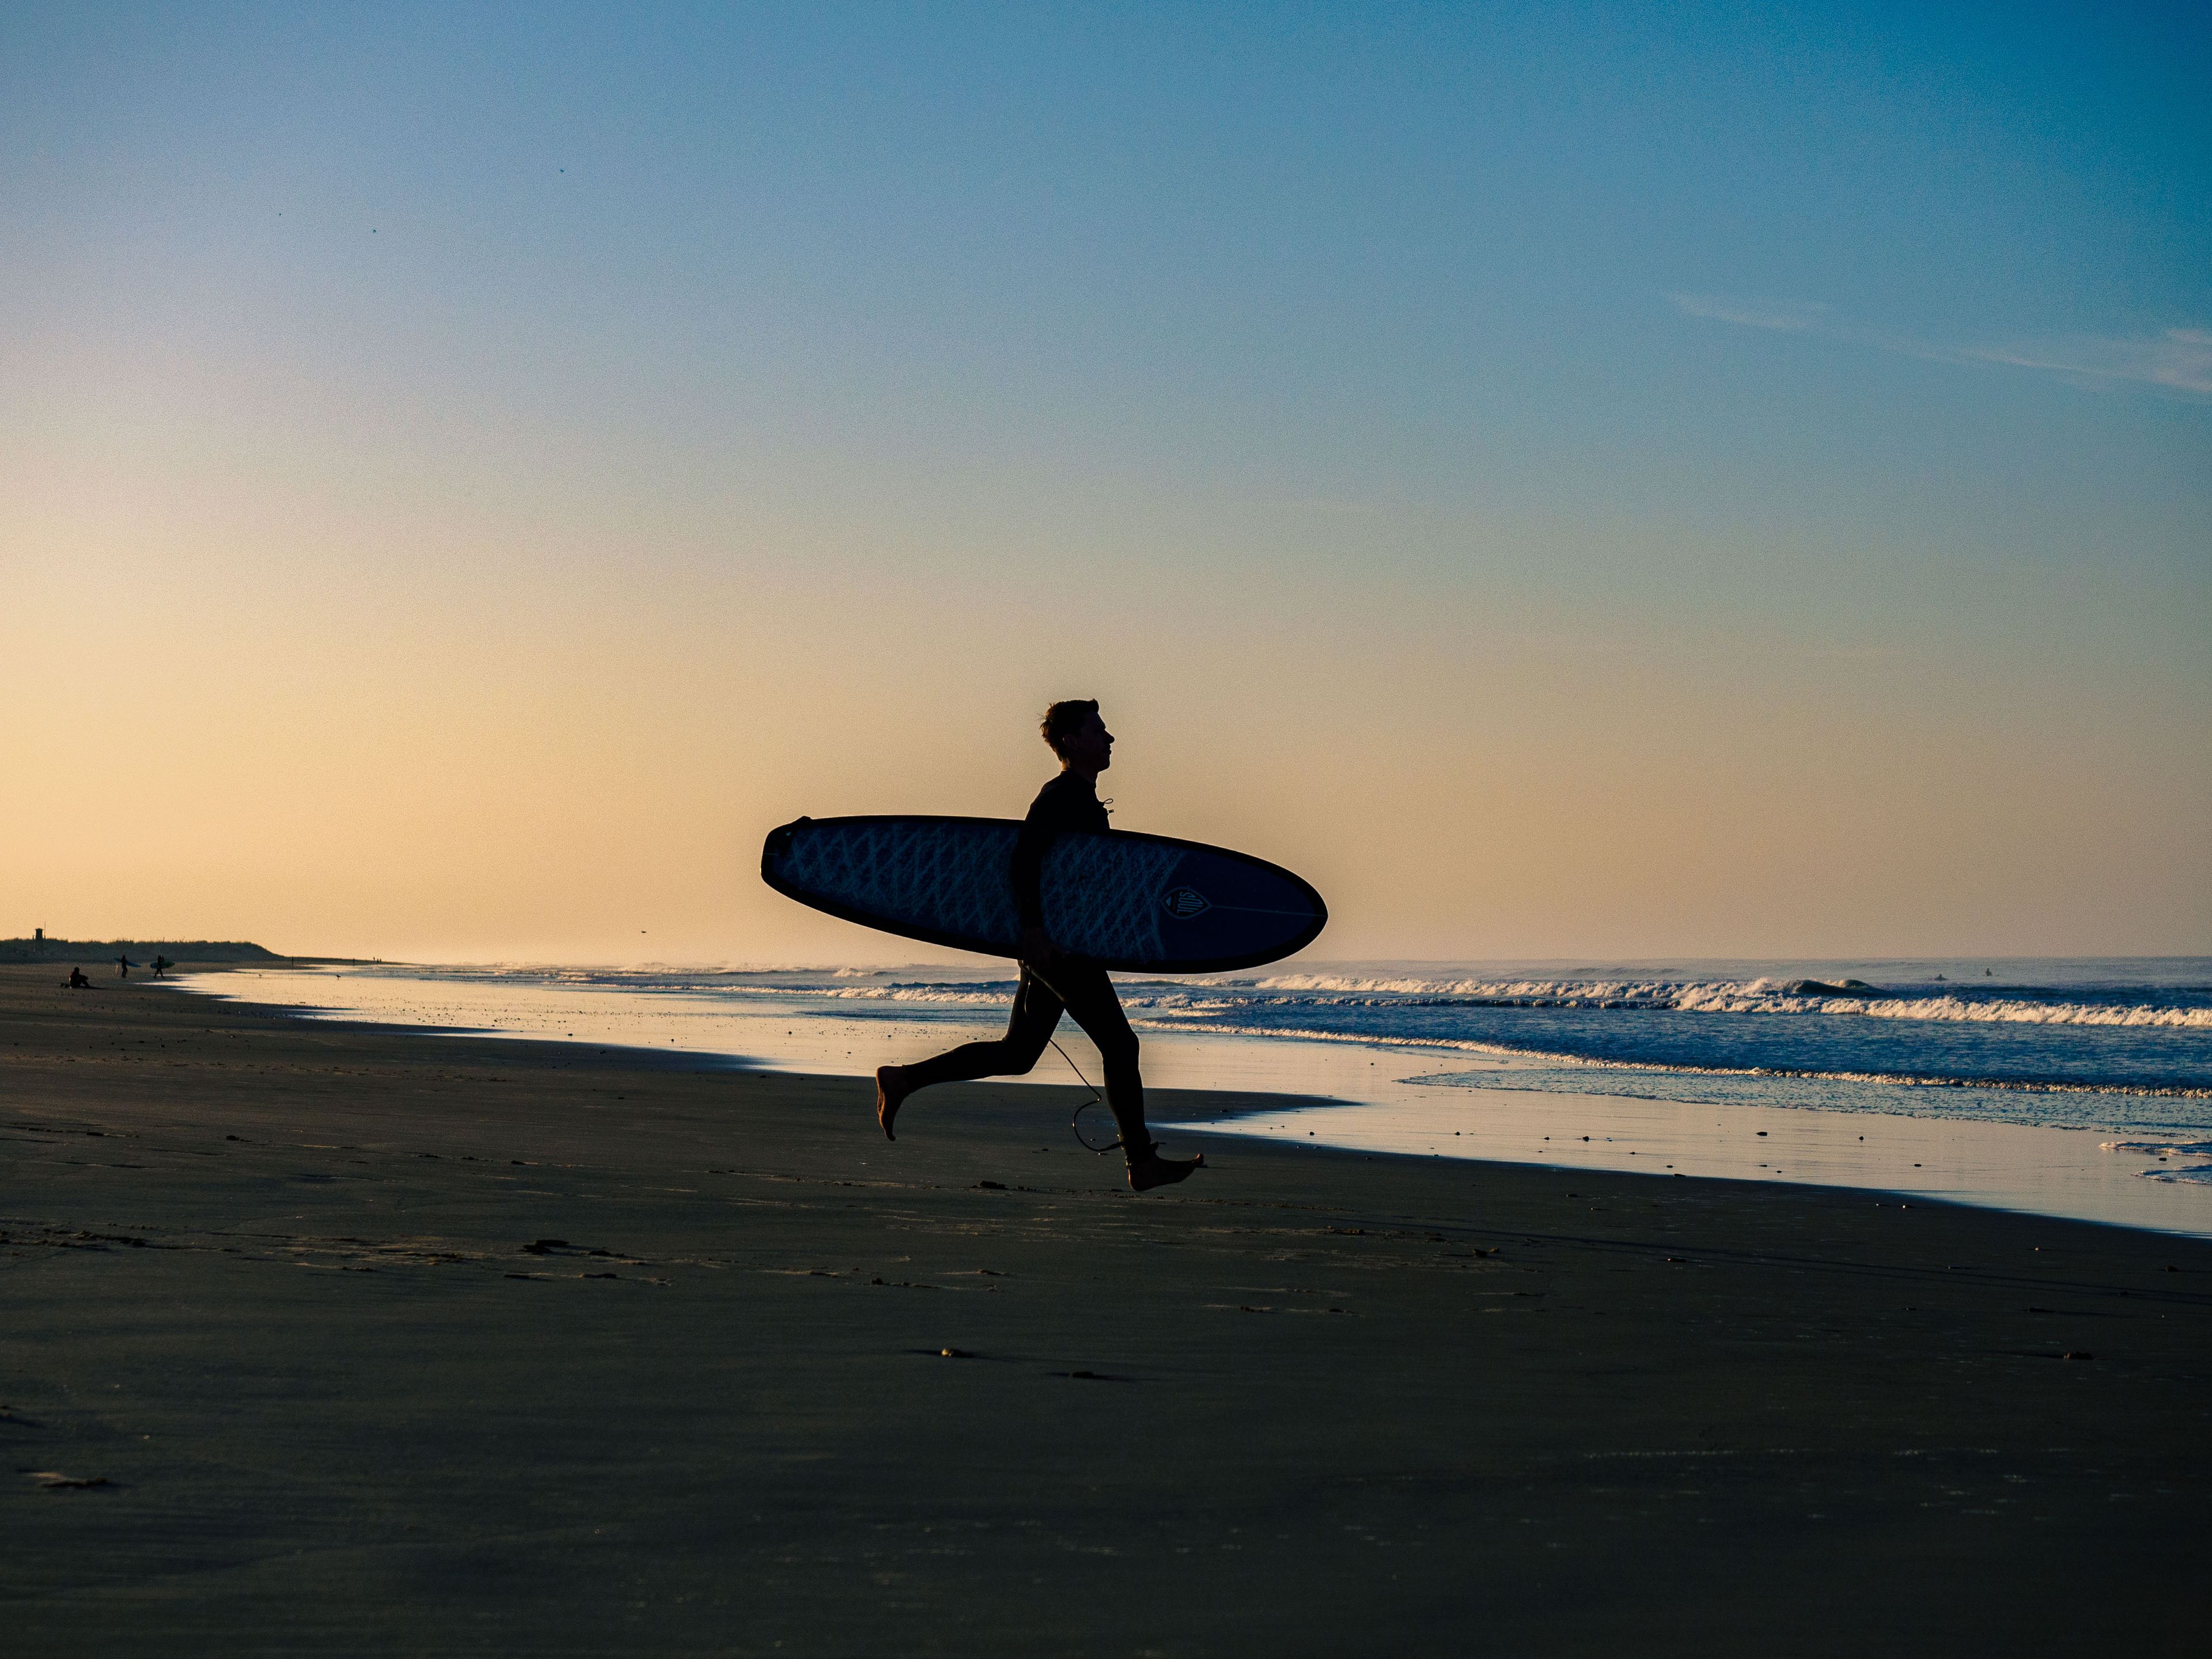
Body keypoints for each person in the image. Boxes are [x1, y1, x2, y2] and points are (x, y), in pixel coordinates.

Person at [873, 700, 1204, 1194]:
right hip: (1061, 949)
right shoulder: (1061, 796)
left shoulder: (1083, 800)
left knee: (1018, 1053)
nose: (1111, 740)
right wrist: (1034, 933)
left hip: (1065, 946)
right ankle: (1140, 1161)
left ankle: (902, 1080)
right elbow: (1023, 860)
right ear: (1072, 741)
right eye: (1100, 731)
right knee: (1120, 1044)